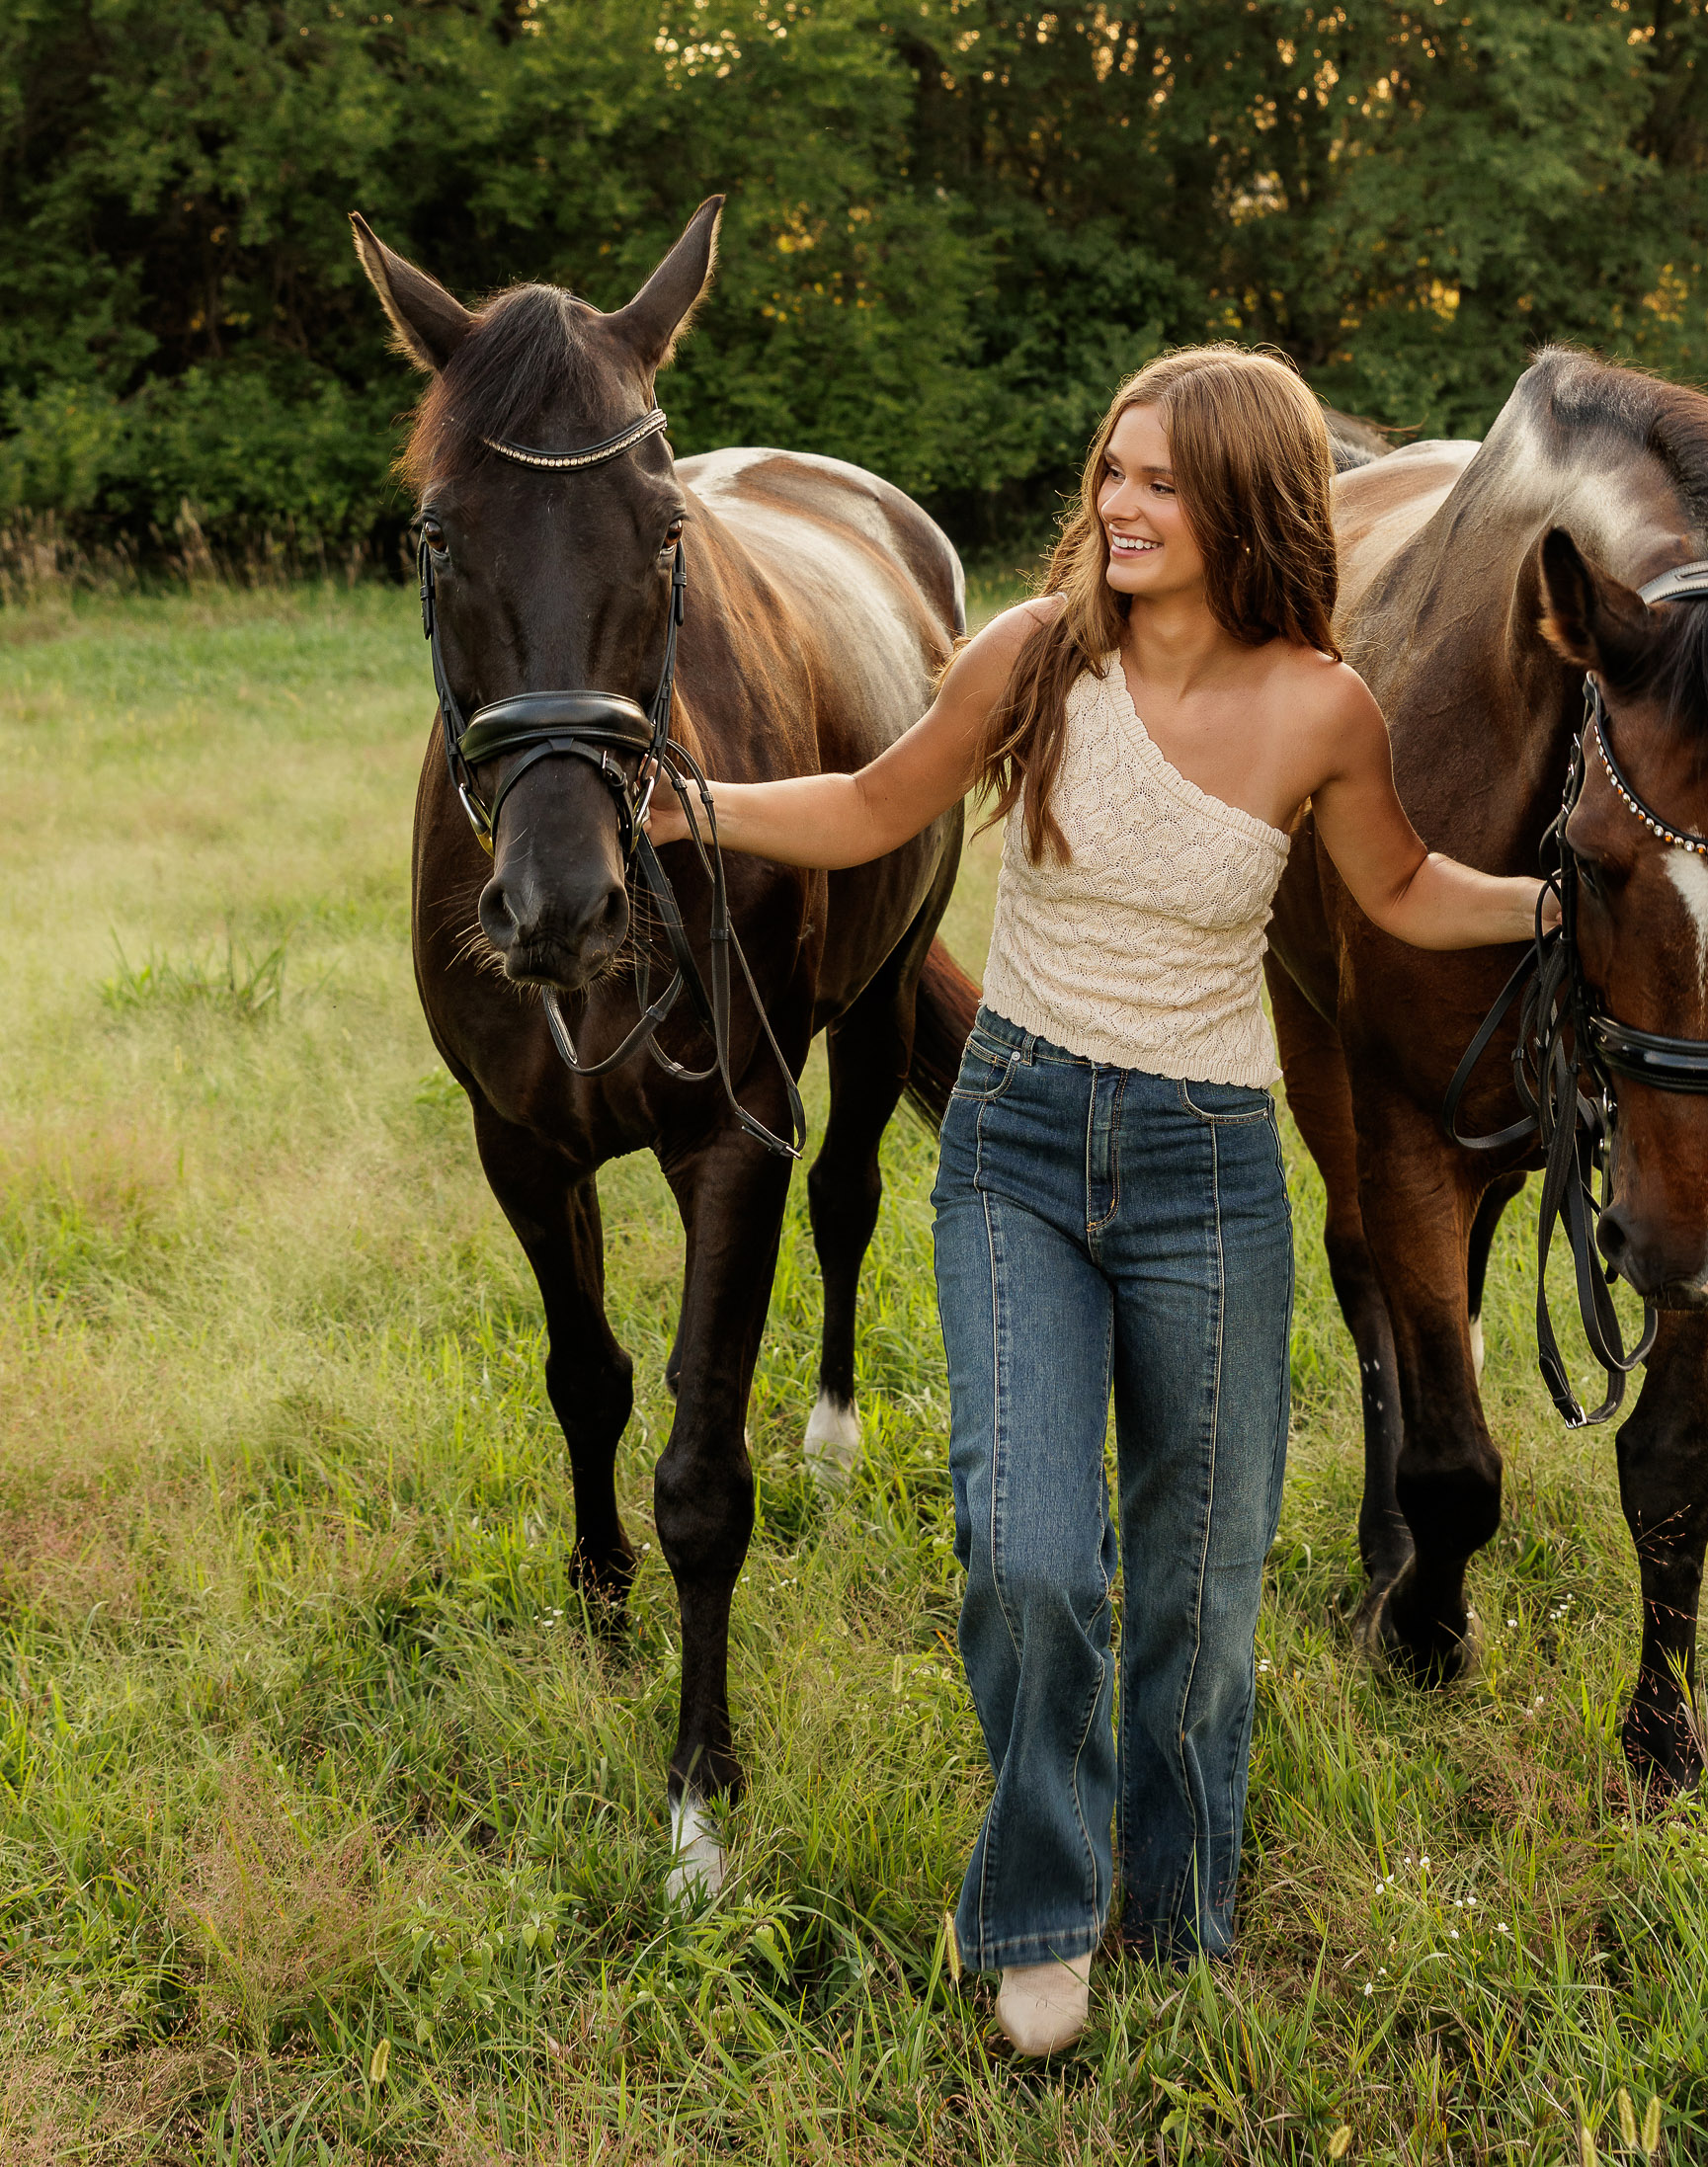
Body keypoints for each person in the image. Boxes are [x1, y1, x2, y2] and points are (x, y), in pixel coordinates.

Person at [645, 347, 1549, 2055]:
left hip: (1213, 1171)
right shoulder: (1031, 659)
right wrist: (681, 806)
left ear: (1248, 501)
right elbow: (865, 807)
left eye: (1160, 479)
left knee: (1201, 1586)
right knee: (1035, 1558)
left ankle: (1180, 1906)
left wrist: (1558, 908)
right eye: (1112, 471)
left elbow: (1407, 889)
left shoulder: (1322, 707)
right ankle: (1042, 1901)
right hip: (1018, 1155)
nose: (1119, 504)